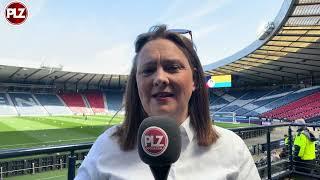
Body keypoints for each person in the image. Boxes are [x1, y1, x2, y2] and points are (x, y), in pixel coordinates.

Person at [75, 25, 260, 180]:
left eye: (172, 68)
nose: (160, 78)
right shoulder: (106, 146)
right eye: (148, 70)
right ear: (136, 83)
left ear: (195, 80)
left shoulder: (232, 148)